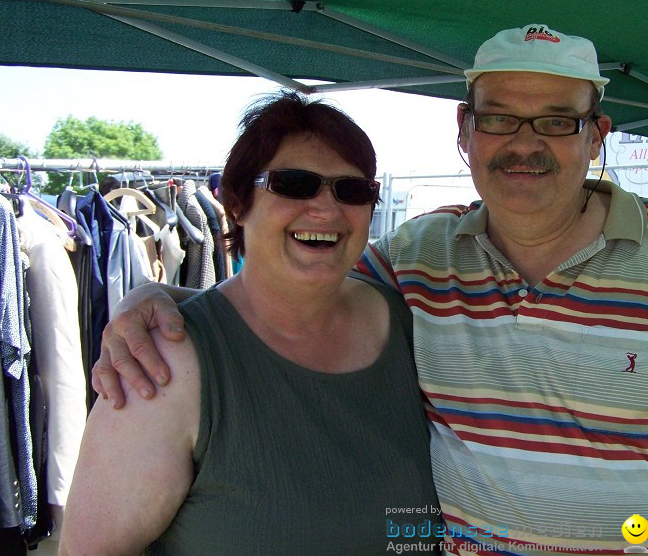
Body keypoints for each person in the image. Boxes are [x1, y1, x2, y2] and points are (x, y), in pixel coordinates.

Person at [93, 25, 648, 556]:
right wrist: (152, 302)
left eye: (556, 121)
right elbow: (290, 280)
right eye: (501, 117)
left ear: (595, 134)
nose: (525, 142)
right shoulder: (421, 256)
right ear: (465, 129)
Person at [59, 92, 441, 555]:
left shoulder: (410, 322)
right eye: (294, 184)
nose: (326, 208)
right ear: (237, 203)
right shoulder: (165, 365)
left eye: (353, 190)